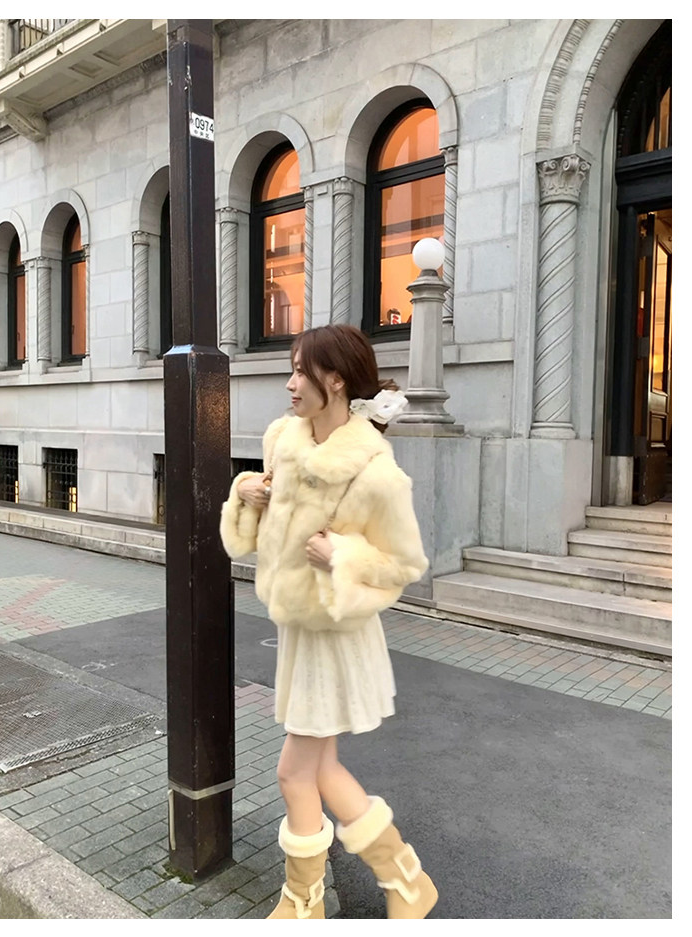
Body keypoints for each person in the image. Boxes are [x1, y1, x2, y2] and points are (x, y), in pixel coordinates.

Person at [219, 324, 438, 920]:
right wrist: (249, 494)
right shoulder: (282, 441)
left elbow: (404, 564)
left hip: (336, 638)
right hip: (300, 631)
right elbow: (253, 536)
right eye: (291, 370)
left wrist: (342, 554)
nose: (290, 384)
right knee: (321, 768)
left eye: (300, 371)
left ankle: (304, 903)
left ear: (335, 381)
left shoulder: (376, 474)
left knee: (294, 772)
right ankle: (406, 882)